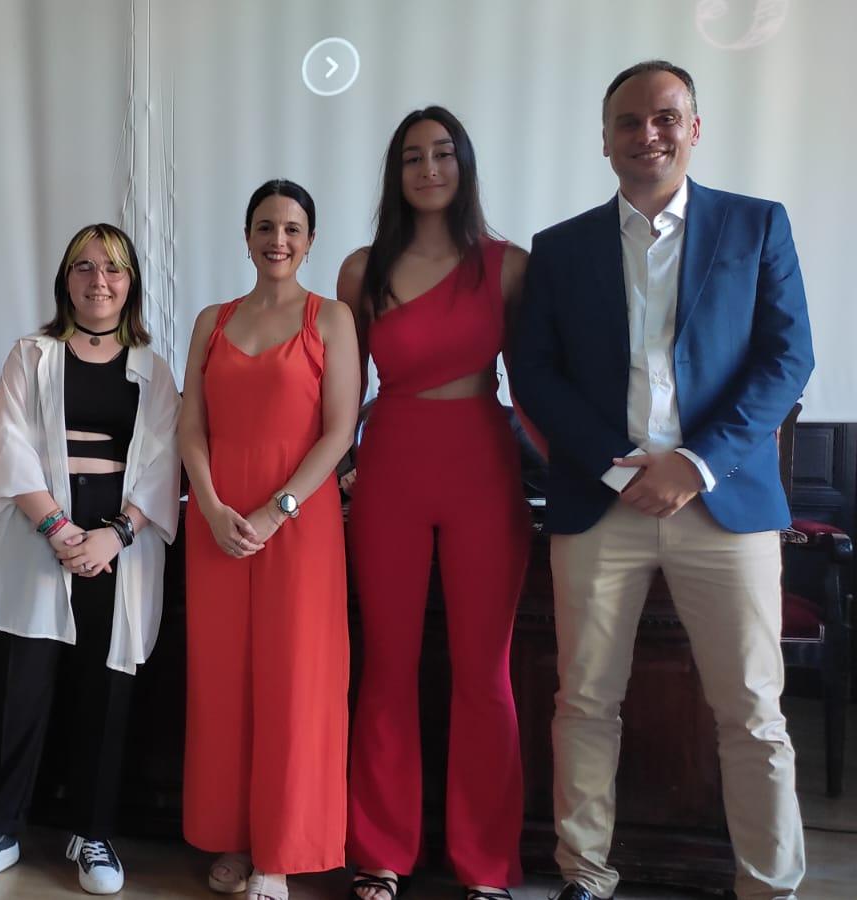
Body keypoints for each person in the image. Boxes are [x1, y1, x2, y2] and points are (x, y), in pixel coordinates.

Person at [510, 60, 814, 900]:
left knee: (752, 710)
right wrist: (620, 470)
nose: (647, 134)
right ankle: (584, 873)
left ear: (694, 128)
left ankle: (770, 884)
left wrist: (696, 463)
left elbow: (787, 359)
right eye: (628, 121)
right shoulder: (560, 248)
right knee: (584, 702)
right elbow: (535, 373)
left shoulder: (756, 225)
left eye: (666, 117)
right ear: (604, 139)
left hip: (726, 503)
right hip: (600, 503)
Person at [0, 224, 183, 895]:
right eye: (83, 267)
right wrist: (57, 527)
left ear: (131, 284)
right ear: (65, 280)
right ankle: (0, 829)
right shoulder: (33, 354)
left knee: (104, 691)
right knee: (21, 686)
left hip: (119, 546)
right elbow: (11, 444)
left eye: (112, 269)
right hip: (38, 534)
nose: (97, 281)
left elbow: (165, 460)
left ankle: (92, 830)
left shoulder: (154, 369)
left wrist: (116, 534)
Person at [335, 108, 531, 900]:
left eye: (443, 153)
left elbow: (540, 385)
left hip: (484, 465)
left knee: (486, 673)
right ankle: (380, 853)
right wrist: (325, 472)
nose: (429, 169)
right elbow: (340, 394)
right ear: (396, 173)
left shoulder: (508, 266)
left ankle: (487, 867)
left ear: (464, 164)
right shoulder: (361, 270)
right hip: (391, 469)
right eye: (413, 157)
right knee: (387, 666)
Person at [179, 180, 361, 900]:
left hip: (299, 521)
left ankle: (279, 852)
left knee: (294, 681)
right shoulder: (212, 320)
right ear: (247, 236)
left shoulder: (332, 318)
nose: (277, 240)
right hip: (218, 521)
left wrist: (278, 510)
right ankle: (233, 833)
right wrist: (211, 504)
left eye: (291, 228)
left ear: (310, 240)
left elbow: (340, 431)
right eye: (264, 226)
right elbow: (191, 425)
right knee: (223, 681)